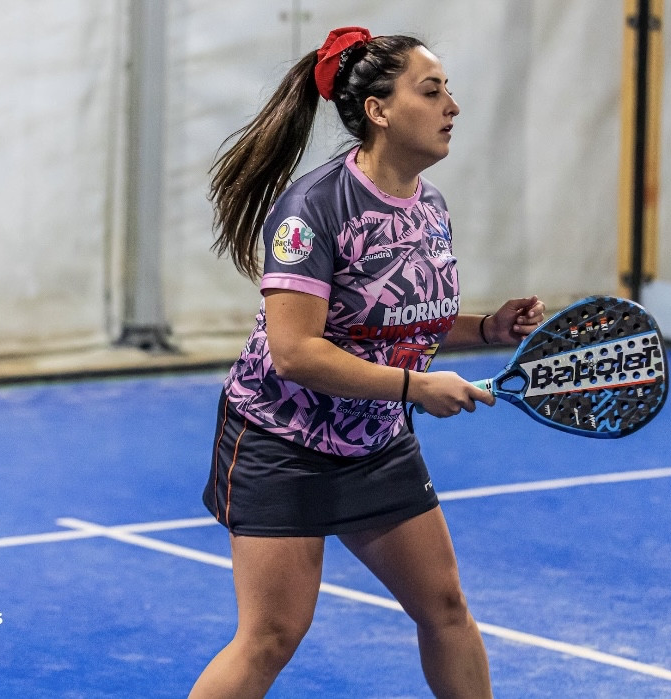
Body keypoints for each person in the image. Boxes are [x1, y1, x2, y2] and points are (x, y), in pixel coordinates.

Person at [190, 26, 545, 699]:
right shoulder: (313, 210)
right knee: (270, 636)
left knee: (444, 609)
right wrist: (415, 386)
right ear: (378, 109)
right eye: (431, 91)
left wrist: (486, 328)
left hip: (374, 440)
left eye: (448, 91)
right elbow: (296, 352)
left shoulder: (428, 206)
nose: (452, 106)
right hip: (281, 443)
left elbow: (397, 324)